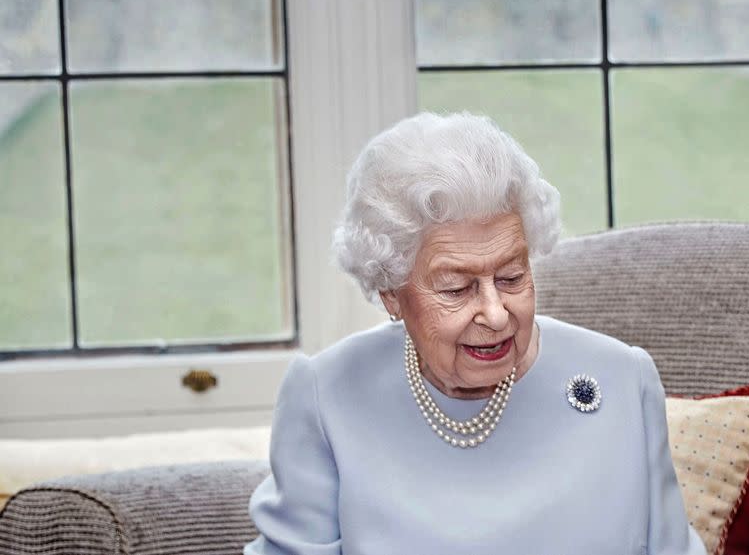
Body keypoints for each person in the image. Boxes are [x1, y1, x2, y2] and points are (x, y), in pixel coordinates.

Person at [246, 112, 705, 555]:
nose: (496, 314)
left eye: (511, 276)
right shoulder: (327, 395)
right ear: (391, 293)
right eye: (456, 287)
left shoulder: (623, 379)